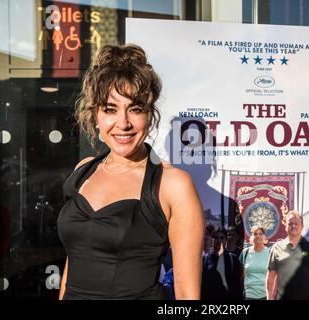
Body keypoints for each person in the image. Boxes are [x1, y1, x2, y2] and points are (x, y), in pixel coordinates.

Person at [57, 44, 204, 300]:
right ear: (96, 115)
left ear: (150, 114)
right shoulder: (83, 170)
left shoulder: (173, 185)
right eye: (110, 109)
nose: (123, 123)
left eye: (135, 109)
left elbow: (187, 295)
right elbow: (74, 262)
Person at [266, 211, 309, 300]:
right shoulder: (276, 248)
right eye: (290, 223)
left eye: (296, 223)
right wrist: (269, 298)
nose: (293, 226)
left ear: (302, 226)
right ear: (286, 226)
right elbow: (271, 277)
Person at [201, 228, 243, 300]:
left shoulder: (233, 259)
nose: (219, 240)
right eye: (216, 237)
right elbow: (202, 285)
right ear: (213, 240)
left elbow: (237, 288)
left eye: (222, 238)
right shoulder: (205, 259)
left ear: (226, 241)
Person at [239, 225, 270, 300]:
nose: (258, 236)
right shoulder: (245, 253)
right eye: (255, 234)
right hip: (248, 295)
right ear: (252, 236)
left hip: (265, 295)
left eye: (260, 234)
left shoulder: (270, 252)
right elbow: (240, 275)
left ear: (264, 236)